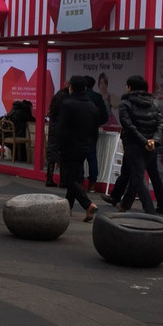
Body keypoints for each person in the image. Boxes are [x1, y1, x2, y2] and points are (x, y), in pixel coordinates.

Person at [114, 75, 163, 215]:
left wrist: (144, 141)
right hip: (150, 146)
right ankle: (125, 204)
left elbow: (129, 126)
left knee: (137, 177)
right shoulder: (155, 103)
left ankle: (149, 210)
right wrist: (153, 140)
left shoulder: (125, 104)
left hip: (134, 145)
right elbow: (160, 124)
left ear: (129, 87)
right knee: (137, 175)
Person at [56, 75, 100, 222]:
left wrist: (59, 149)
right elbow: (95, 131)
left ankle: (88, 204)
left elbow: (62, 130)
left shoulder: (68, 104)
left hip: (69, 147)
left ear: (71, 88)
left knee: (68, 179)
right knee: (74, 177)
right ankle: (67, 208)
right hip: (85, 147)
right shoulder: (92, 106)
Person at [83, 75, 109, 190]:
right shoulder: (98, 97)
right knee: (92, 156)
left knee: (79, 157)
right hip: (93, 130)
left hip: (80, 130)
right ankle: (92, 183)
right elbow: (105, 116)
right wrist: (97, 123)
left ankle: (79, 182)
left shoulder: (80, 96)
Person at [44, 86, 69, 187]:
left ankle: (49, 178)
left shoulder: (54, 107)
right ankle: (63, 180)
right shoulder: (65, 104)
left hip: (53, 130)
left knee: (52, 155)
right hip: (62, 131)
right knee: (63, 155)